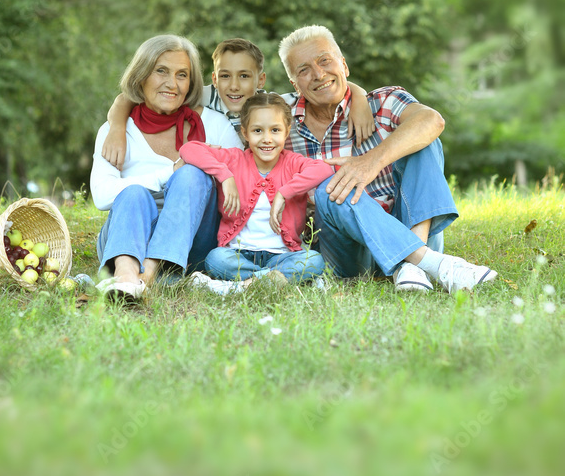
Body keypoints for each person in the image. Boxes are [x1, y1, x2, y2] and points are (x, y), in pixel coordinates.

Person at [278, 25, 497, 294]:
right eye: (304, 70)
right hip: (347, 254)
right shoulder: (279, 119)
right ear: (294, 84)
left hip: (410, 226)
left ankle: (412, 266)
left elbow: (431, 120)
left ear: (344, 66)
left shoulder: (382, 102)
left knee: (425, 143)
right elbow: (236, 97)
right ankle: (432, 265)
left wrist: (370, 162)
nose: (318, 74)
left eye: (325, 61)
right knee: (330, 187)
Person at [90, 34, 241, 300]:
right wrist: (167, 173)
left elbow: (242, 182)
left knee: (193, 173)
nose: (172, 84)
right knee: (134, 193)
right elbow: (102, 196)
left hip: (191, 245)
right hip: (127, 241)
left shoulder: (214, 125)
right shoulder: (117, 130)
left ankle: (146, 277)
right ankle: (125, 275)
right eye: (161, 71)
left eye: (182, 75)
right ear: (141, 76)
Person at [101, 37, 375, 167]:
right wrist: (115, 127)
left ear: (261, 80)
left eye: (244, 76)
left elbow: (324, 87)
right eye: (225, 77)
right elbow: (129, 95)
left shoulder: (273, 106)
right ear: (213, 79)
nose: (233, 86)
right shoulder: (202, 96)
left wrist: (359, 97)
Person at [180, 93, 331, 284]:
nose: (267, 139)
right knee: (215, 259)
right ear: (245, 133)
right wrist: (224, 175)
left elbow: (323, 168)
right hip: (238, 253)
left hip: (282, 256)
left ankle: (247, 282)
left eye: (275, 130)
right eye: (258, 131)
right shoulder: (235, 159)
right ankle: (270, 280)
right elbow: (189, 149)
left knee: (313, 261)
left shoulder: (292, 163)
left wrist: (284, 193)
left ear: (286, 131)